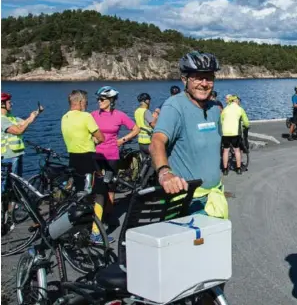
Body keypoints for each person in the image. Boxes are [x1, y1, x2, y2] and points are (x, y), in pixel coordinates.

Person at [150, 51, 228, 219]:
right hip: (186, 201)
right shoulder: (174, 106)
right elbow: (157, 142)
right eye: (198, 78)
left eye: (209, 78)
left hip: (213, 197)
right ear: (184, 80)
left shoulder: (214, 108)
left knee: (216, 245)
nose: (204, 83)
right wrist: (165, 173)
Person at [61, 90, 107, 243]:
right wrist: (93, 140)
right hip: (87, 159)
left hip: (73, 159)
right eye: (86, 102)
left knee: (80, 194)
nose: (87, 104)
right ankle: (96, 232)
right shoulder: (86, 116)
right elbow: (101, 137)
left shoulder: (64, 117)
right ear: (80, 102)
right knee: (100, 194)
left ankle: (79, 228)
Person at [91, 86, 140, 229]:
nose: (99, 101)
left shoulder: (119, 115)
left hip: (112, 155)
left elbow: (136, 129)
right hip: (96, 155)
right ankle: (96, 218)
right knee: (96, 188)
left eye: (102, 99)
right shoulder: (93, 114)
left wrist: (122, 140)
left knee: (110, 187)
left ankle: (108, 217)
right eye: (98, 99)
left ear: (111, 101)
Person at [1, 92, 42, 217]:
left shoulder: (10, 117)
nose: (11, 104)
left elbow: (24, 123)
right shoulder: (2, 120)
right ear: (2, 104)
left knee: (15, 187)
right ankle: (3, 213)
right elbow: (19, 129)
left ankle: (10, 213)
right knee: (4, 188)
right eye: (8, 102)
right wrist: (28, 120)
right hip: (7, 159)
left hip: (16, 156)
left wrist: (37, 112)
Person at [221, 94, 250, 174]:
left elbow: (221, 121)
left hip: (225, 133)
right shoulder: (240, 109)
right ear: (236, 101)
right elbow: (246, 122)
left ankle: (225, 170)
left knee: (225, 150)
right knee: (237, 150)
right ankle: (238, 168)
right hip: (235, 133)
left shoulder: (225, 109)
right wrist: (247, 126)